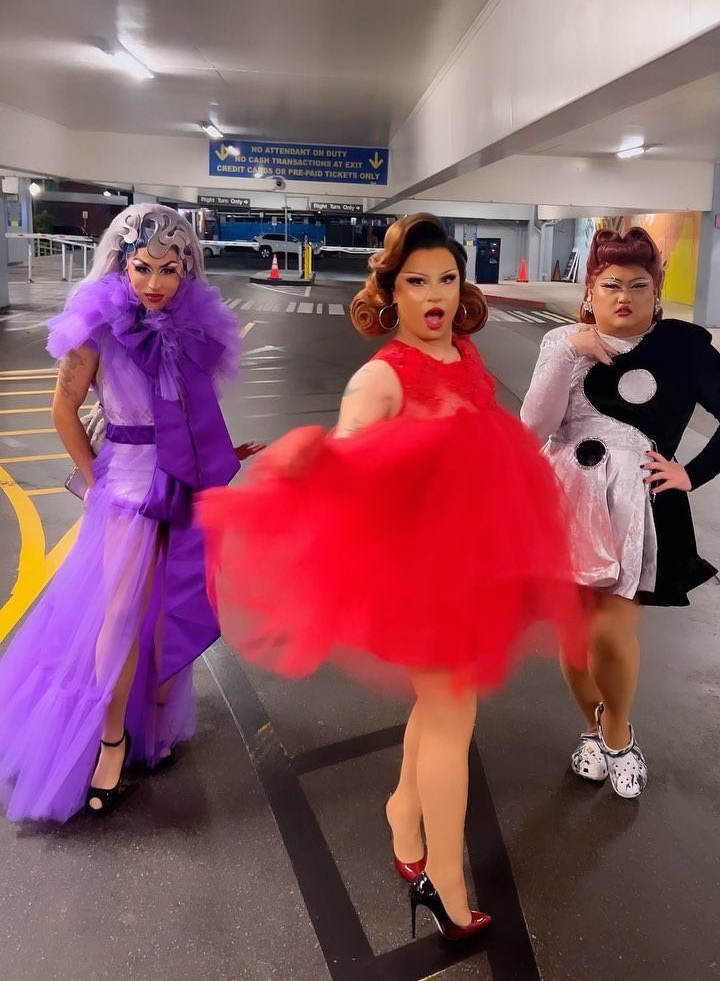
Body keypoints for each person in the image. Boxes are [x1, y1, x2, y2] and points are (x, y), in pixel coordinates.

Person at [198, 213, 585, 941]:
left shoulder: (463, 353)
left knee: (442, 709)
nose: (434, 295)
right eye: (416, 282)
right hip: (419, 576)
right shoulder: (381, 376)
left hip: (471, 562)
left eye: (446, 279)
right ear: (391, 290)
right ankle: (444, 881)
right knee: (452, 716)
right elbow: (348, 466)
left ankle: (404, 816)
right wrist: (314, 459)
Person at [0, 204, 255, 823]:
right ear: (121, 263)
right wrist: (95, 482)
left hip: (183, 485)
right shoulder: (99, 327)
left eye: (169, 269)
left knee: (173, 606)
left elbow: (194, 412)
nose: (154, 283)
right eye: (142, 267)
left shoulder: (192, 329)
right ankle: (111, 740)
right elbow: (63, 411)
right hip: (126, 490)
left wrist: (220, 456)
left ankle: (155, 719)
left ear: (186, 269)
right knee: (118, 617)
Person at [521, 227, 720, 799]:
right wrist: (569, 350)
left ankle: (617, 735)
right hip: (563, 502)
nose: (624, 296)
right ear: (590, 290)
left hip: (637, 507)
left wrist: (691, 474)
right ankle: (592, 728)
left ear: (656, 293)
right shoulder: (561, 343)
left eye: (639, 285)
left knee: (610, 634)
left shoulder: (681, 347)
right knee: (574, 637)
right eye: (611, 284)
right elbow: (533, 428)